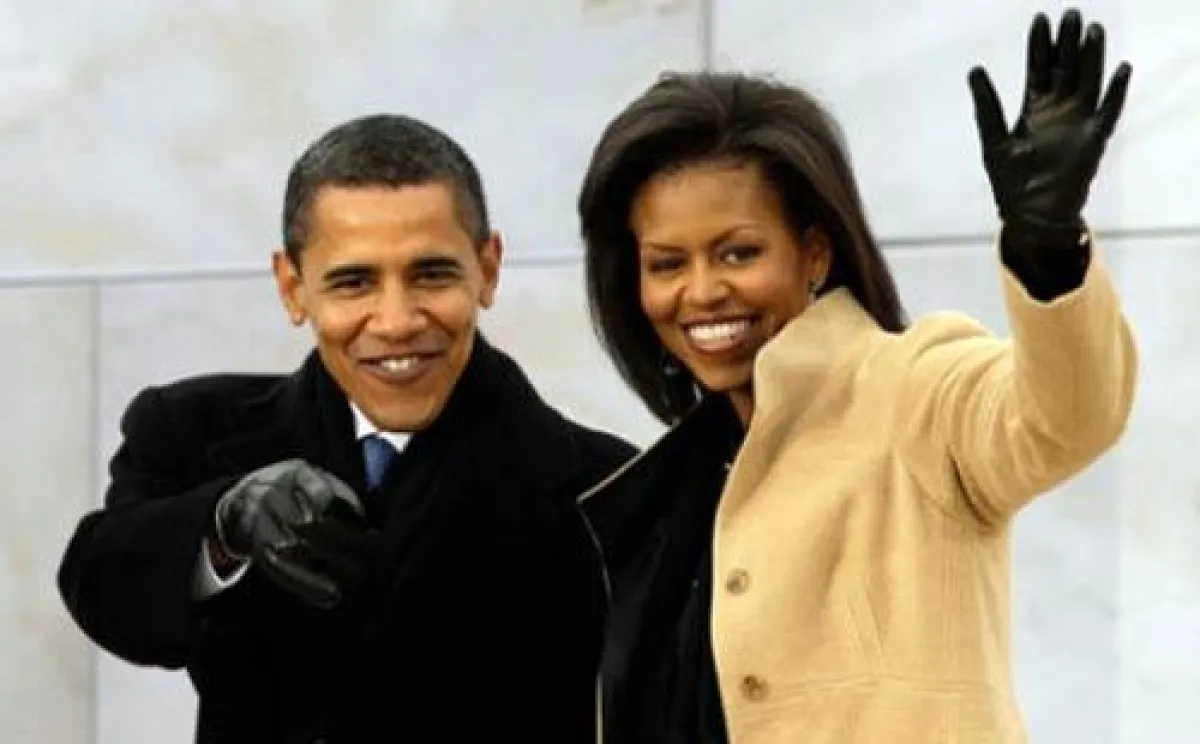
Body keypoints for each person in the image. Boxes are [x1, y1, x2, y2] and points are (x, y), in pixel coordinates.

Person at [576, 9, 1136, 743]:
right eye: (667, 264)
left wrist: (1048, 247)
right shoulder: (673, 484)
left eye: (739, 253)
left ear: (814, 253)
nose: (702, 291)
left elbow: (1063, 419)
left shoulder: (913, 391)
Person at [57, 113, 636, 742]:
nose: (395, 321)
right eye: (354, 282)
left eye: (431, 274)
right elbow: (104, 588)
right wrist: (225, 527)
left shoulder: (612, 489)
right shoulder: (193, 431)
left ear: (488, 269)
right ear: (292, 287)